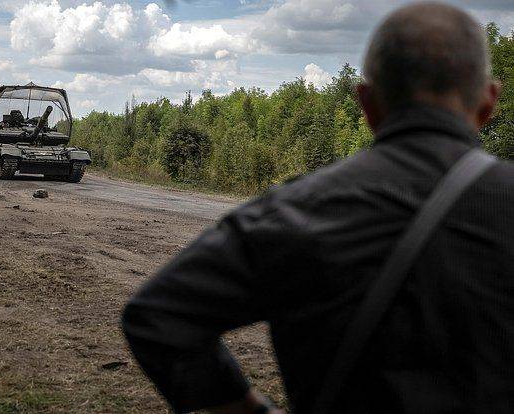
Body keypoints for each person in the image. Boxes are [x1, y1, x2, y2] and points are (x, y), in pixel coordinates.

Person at [122, 2, 513, 413]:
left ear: (366, 103)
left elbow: (159, 317)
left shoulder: (295, 209)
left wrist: (248, 408)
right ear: (488, 103)